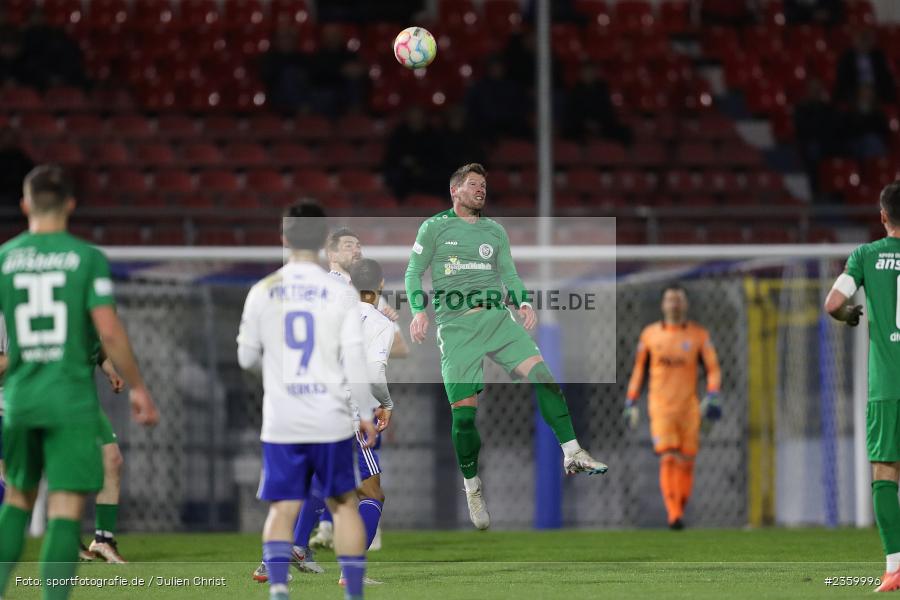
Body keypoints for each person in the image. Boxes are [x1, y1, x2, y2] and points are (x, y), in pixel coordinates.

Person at [404, 163, 607, 530]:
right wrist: (419, 311)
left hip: (498, 319)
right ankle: (472, 486)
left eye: (484, 185)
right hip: (456, 328)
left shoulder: (494, 231)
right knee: (464, 418)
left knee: (544, 377)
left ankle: (572, 451)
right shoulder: (434, 227)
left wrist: (523, 302)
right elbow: (413, 271)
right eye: (473, 185)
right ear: (455, 191)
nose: (481, 190)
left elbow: (509, 273)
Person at [0, 164, 158, 599]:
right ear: (70, 204)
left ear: (25, 205)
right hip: (68, 400)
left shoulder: (5, 258)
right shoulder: (86, 258)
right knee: (65, 507)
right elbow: (107, 330)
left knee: (17, 499)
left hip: (19, 398)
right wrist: (139, 386)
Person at [237, 202, 375, 600]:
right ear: (321, 241)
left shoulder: (262, 290)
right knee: (344, 503)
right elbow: (354, 359)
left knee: (282, 505)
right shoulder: (340, 292)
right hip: (330, 416)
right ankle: (353, 592)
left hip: (282, 417)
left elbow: (246, 358)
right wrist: (365, 412)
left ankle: (279, 588)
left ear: (283, 238)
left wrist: (278, 378)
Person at [824, 181, 900, 593]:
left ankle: (896, 567)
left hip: (888, 383)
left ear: (883, 216)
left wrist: (852, 314)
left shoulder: (866, 255)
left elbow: (833, 304)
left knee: (886, 471)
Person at [624, 284, 721, 530]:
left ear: (685, 304)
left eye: (679, 299)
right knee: (668, 457)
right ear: (663, 304)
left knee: (686, 461)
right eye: (670, 299)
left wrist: (712, 395)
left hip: (689, 407)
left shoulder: (699, 336)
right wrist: (631, 400)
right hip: (660, 407)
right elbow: (639, 370)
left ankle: (678, 509)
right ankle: (674, 514)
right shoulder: (650, 335)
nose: (674, 303)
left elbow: (713, 369)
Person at [833, 28, 896, 106]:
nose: (864, 44)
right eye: (861, 40)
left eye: (867, 40)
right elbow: (843, 79)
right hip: (855, 91)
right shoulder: (847, 57)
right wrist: (859, 90)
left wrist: (872, 89)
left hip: (876, 90)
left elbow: (884, 77)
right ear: (854, 41)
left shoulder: (878, 56)